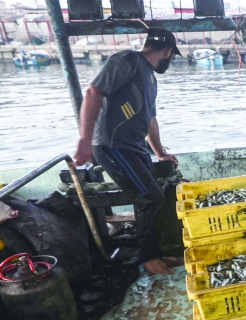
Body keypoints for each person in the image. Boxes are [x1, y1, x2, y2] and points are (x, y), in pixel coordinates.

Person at [72, 28, 183, 275]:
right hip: (113, 146)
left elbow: (150, 118)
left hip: (135, 147)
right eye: (171, 55)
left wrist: (160, 153)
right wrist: (85, 140)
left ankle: (162, 251)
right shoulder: (127, 60)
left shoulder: (150, 77)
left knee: (158, 193)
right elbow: (93, 92)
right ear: (167, 52)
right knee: (149, 197)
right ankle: (148, 257)